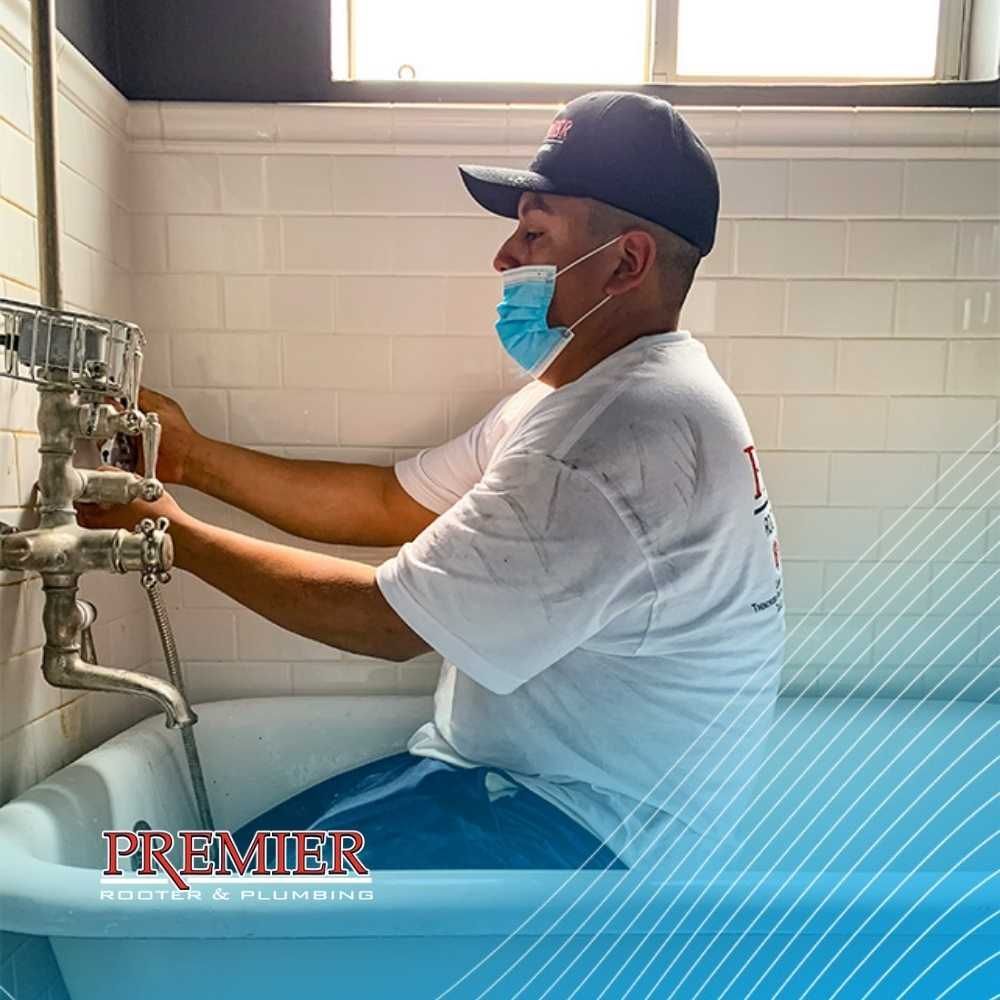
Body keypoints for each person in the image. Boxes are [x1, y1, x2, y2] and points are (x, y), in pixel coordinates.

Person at [78, 91, 785, 875]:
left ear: (626, 261)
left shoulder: (613, 437)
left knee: (209, 893)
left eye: (535, 231)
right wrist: (190, 458)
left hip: (582, 845)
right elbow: (389, 503)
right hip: (508, 792)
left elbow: (386, 624)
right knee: (217, 874)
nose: (505, 257)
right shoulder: (589, 393)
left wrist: (160, 535)